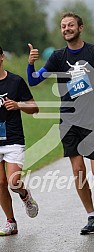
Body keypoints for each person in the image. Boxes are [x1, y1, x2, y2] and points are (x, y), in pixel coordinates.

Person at [27, 12, 94, 235]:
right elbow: (34, 80)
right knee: (78, 170)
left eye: (71, 25)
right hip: (68, 120)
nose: (67, 29)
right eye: (63, 26)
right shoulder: (57, 56)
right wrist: (30, 64)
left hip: (93, 119)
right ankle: (91, 217)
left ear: (80, 28)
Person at [0, 46, 39, 236]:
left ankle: (25, 196)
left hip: (13, 139)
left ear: (1, 57)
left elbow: (34, 107)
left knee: (13, 182)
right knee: (0, 183)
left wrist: (17, 105)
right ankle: (11, 222)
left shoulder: (15, 81)